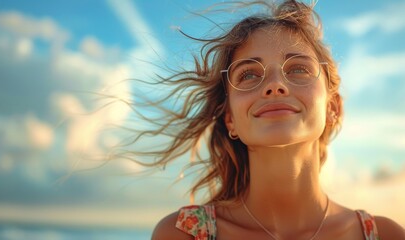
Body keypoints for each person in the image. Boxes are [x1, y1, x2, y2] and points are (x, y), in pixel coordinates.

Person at [146, 0, 405, 239]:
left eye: (298, 68)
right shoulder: (184, 234)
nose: (275, 85)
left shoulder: (386, 235)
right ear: (230, 119)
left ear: (332, 107)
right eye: (248, 74)